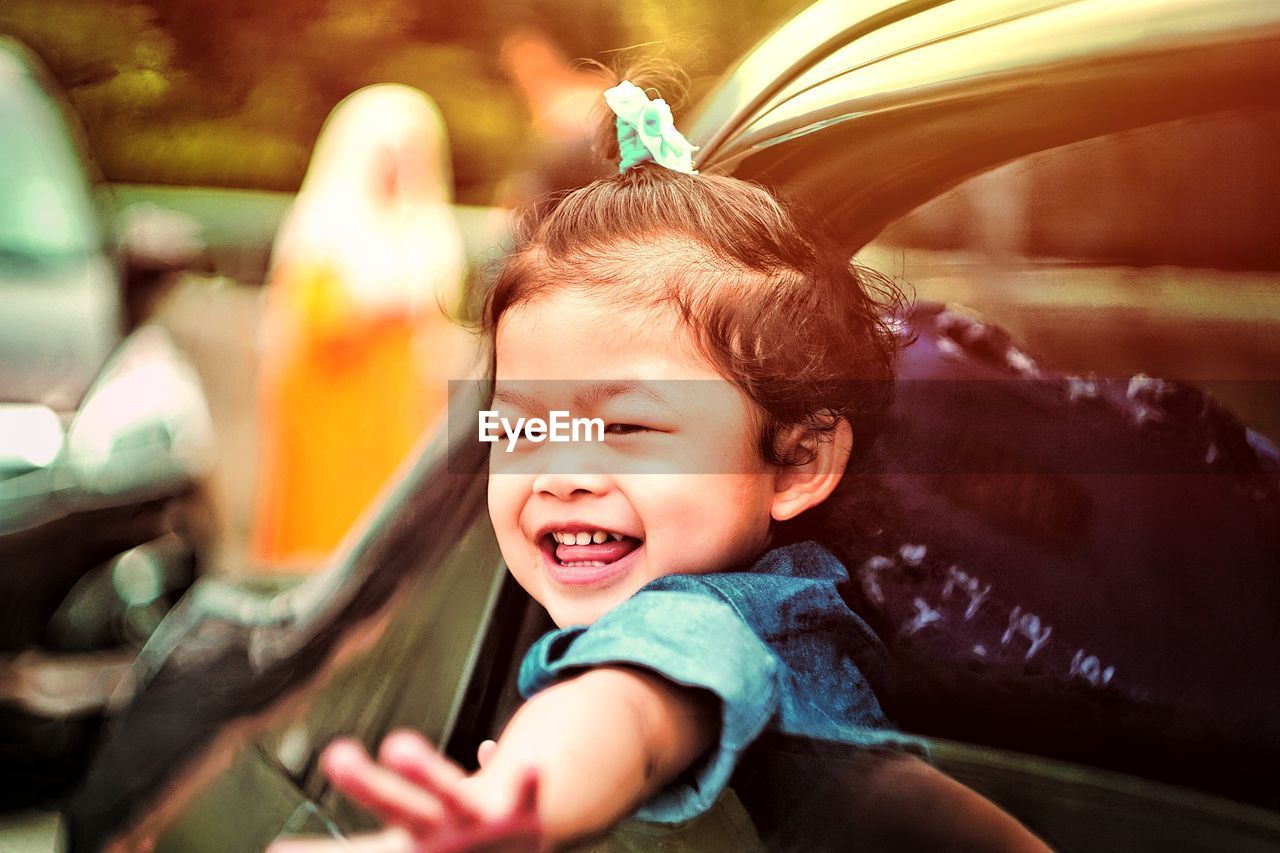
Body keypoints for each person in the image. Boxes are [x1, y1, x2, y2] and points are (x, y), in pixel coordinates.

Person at [270, 73, 1047, 852]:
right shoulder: (808, 611)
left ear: (797, 462)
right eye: (522, 430)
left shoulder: (725, 615)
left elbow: (630, 705)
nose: (560, 474)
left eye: (628, 425)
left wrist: (523, 795)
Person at [251, 84, 470, 570]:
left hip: (398, 410)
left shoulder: (428, 228)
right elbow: (313, 323)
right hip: (332, 410)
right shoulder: (322, 229)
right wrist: (379, 312)